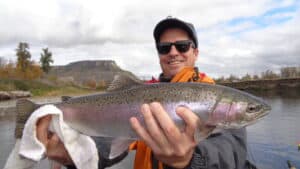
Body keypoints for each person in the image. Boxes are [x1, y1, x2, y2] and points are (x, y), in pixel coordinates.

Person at [36, 16, 255, 169]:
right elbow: (110, 144)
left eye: (182, 46)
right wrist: (73, 155)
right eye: (164, 47)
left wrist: (189, 161)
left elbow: (230, 156)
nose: (173, 52)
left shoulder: (215, 96)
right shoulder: (143, 93)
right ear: (159, 54)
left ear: (195, 52)